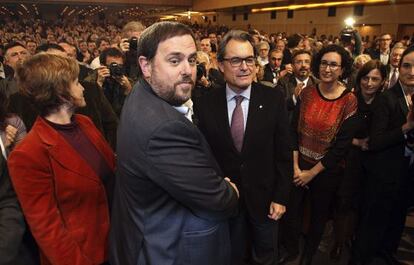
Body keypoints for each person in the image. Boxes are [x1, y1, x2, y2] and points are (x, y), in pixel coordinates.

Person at [109, 22, 239, 265]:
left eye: (191, 60)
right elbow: (219, 199)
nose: (188, 70)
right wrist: (229, 190)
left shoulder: (142, 93)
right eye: (174, 60)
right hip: (168, 249)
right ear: (145, 66)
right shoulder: (163, 127)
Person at [194, 29, 292, 265]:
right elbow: (203, 156)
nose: (245, 67)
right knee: (232, 256)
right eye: (236, 60)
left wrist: (280, 197)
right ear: (220, 65)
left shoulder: (273, 99)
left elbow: (283, 153)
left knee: (265, 255)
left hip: (265, 200)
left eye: (249, 60)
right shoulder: (206, 102)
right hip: (226, 202)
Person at [8, 53, 115, 265]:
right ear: (60, 92)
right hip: (82, 256)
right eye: (76, 82)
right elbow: (47, 227)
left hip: (115, 245)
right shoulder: (28, 153)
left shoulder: (84, 123)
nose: (83, 88)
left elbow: (110, 170)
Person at [287, 44, 357, 265]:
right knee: (292, 213)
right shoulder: (307, 93)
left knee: (318, 217)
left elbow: (341, 147)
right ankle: (290, 251)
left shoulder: (349, 100)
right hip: (299, 165)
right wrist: (297, 167)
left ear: (342, 69)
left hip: (326, 171)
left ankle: (307, 257)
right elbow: (292, 131)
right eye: (324, 63)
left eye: (334, 64)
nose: (328, 69)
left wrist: (312, 173)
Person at [350, 45, 414, 265]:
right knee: (371, 224)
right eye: (407, 65)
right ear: (398, 67)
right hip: (383, 173)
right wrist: (406, 128)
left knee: (396, 220)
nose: (412, 71)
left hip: (406, 172)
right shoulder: (387, 98)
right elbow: (375, 141)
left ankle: (387, 253)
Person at [330, 60, 386, 262]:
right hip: (349, 158)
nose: (369, 83)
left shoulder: (384, 102)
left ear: (382, 82)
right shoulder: (349, 100)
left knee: (361, 204)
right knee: (343, 202)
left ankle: (353, 237)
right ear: (359, 78)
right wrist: (356, 142)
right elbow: (334, 131)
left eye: (375, 79)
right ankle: (338, 241)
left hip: (374, 161)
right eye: (366, 78)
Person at [275, 49, 318, 122]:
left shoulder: (317, 84)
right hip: (290, 126)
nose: (303, 65)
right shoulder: (283, 83)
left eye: (307, 62)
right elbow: (278, 107)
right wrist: (294, 98)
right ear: (292, 66)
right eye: (299, 62)